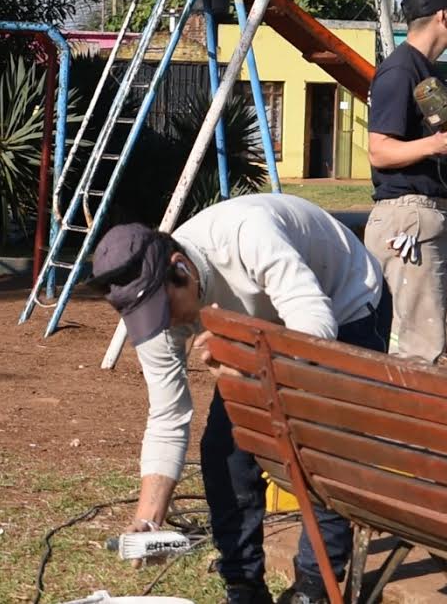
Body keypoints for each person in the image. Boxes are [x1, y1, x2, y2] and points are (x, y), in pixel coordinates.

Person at [88, 194, 390, 604]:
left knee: (320, 443)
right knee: (224, 448)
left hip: (344, 301)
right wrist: (149, 518)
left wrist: (246, 360)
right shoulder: (154, 310)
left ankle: (316, 584)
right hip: (260, 331)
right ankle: (243, 584)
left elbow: (315, 327)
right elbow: (168, 414)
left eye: (165, 309)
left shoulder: (248, 234)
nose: (167, 324)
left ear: (182, 269)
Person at [363, 0, 447, 363]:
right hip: (406, 221)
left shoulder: (423, 72)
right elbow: (379, 152)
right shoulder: (400, 71)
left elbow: (423, 156)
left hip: (417, 217)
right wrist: (437, 143)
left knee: (415, 348)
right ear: (442, 16)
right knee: (418, 355)